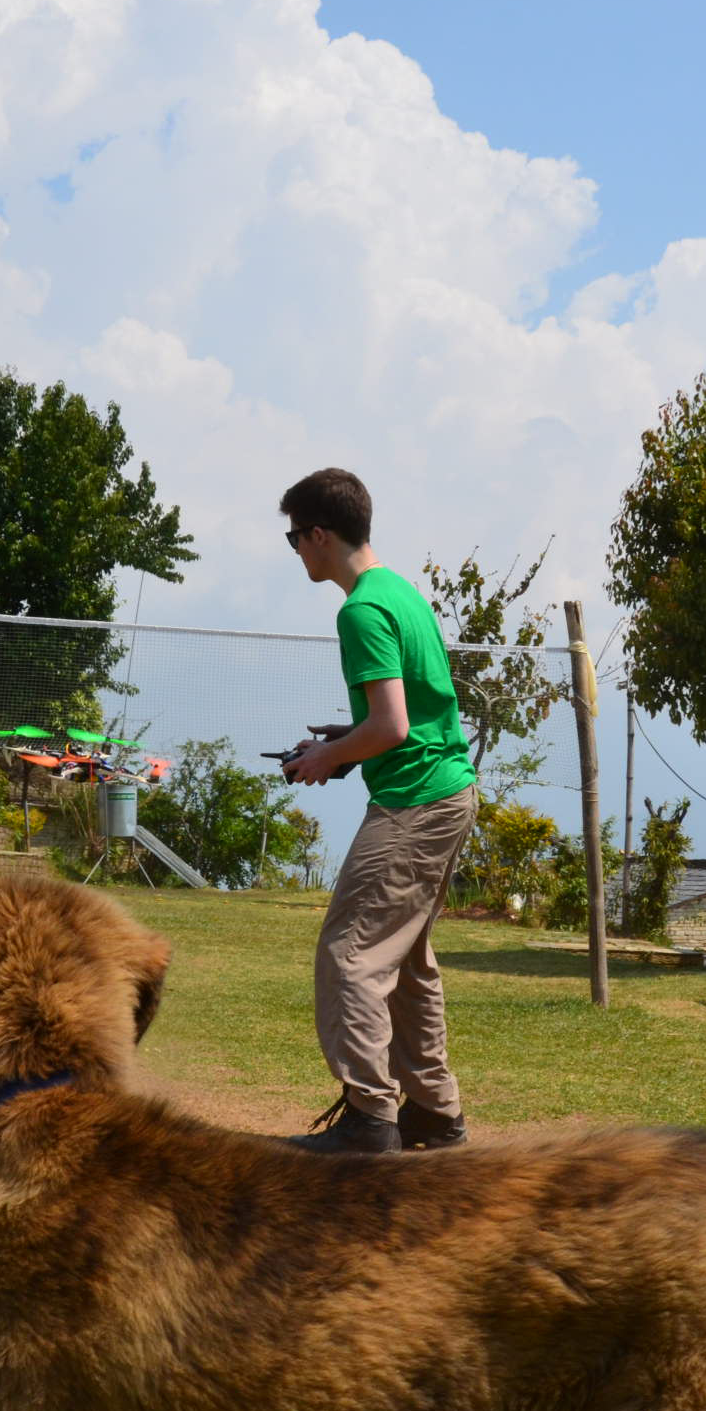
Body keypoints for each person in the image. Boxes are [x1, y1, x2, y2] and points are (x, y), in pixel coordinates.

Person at [276, 468, 480, 1154]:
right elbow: (414, 713)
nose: (296, 551)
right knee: (408, 959)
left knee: (351, 953)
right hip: (447, 788)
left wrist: (331, 759)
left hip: (415, 799)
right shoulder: (400, 593)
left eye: (294, 537)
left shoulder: (361, 609)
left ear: (320, 535)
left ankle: (371, 1120)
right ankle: (432, 1111)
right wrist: (341, 742)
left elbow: (391, 726)